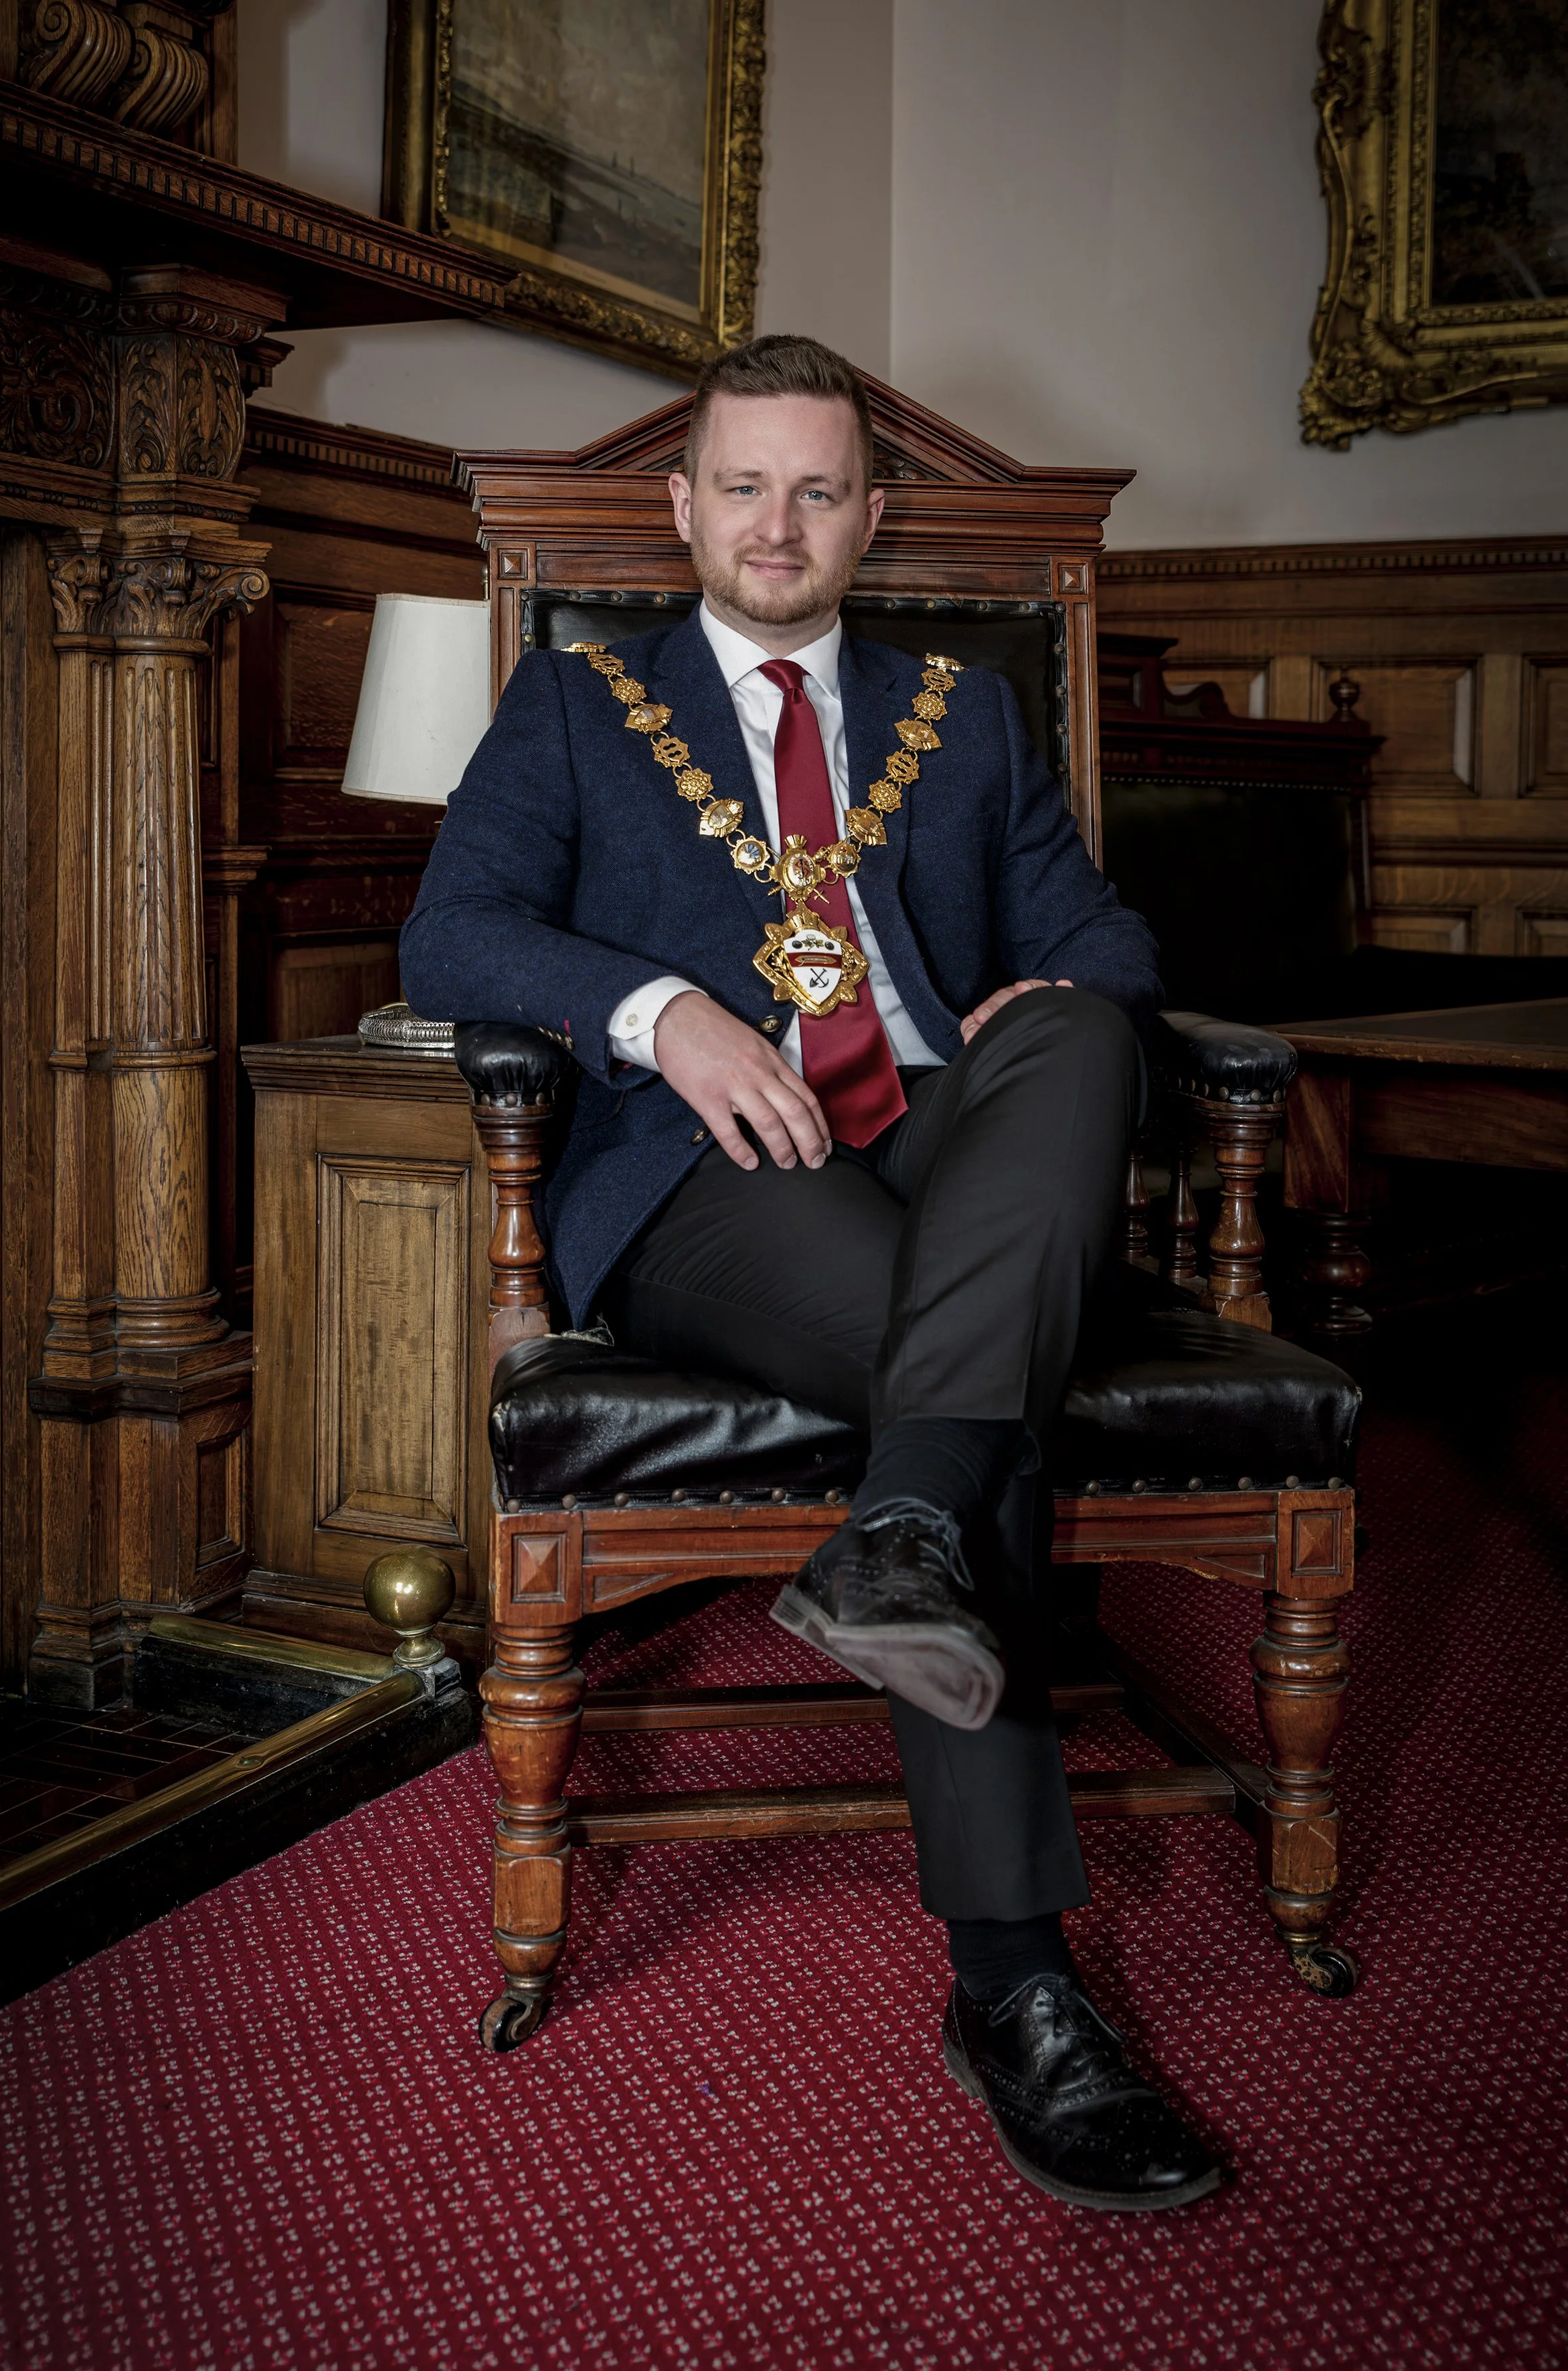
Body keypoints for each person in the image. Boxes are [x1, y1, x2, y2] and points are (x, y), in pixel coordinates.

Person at [401, 335, 1219, 2213]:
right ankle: (1017, 1986)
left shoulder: (963, 716)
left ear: (870, 515)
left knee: (1078, 1032)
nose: (779, 525)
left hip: (941, 1138)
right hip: (710, 1172)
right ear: (685, 507)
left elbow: (1111, 940)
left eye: (819, 491)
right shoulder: (579, 700)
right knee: (975, 1387)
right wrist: (659, 1008)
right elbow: (453, 932)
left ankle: (896, 1530)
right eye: (745, 487)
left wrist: (1050, 993)